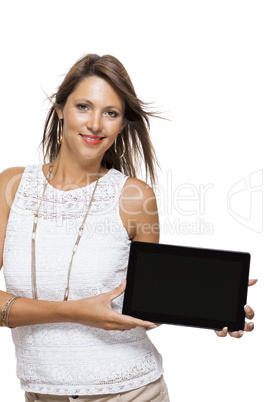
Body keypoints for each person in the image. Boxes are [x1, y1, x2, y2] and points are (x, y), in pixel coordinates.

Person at [0, 54, 256, 402]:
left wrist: (208, 305)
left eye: (111, 113)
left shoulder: (134, 197)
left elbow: (146, 303)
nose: (95, 124)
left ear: (122, 124)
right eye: (83, 106)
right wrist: (74, 312)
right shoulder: (11, 187)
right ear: (60, 109)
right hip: (41, 393)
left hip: (131, 391)